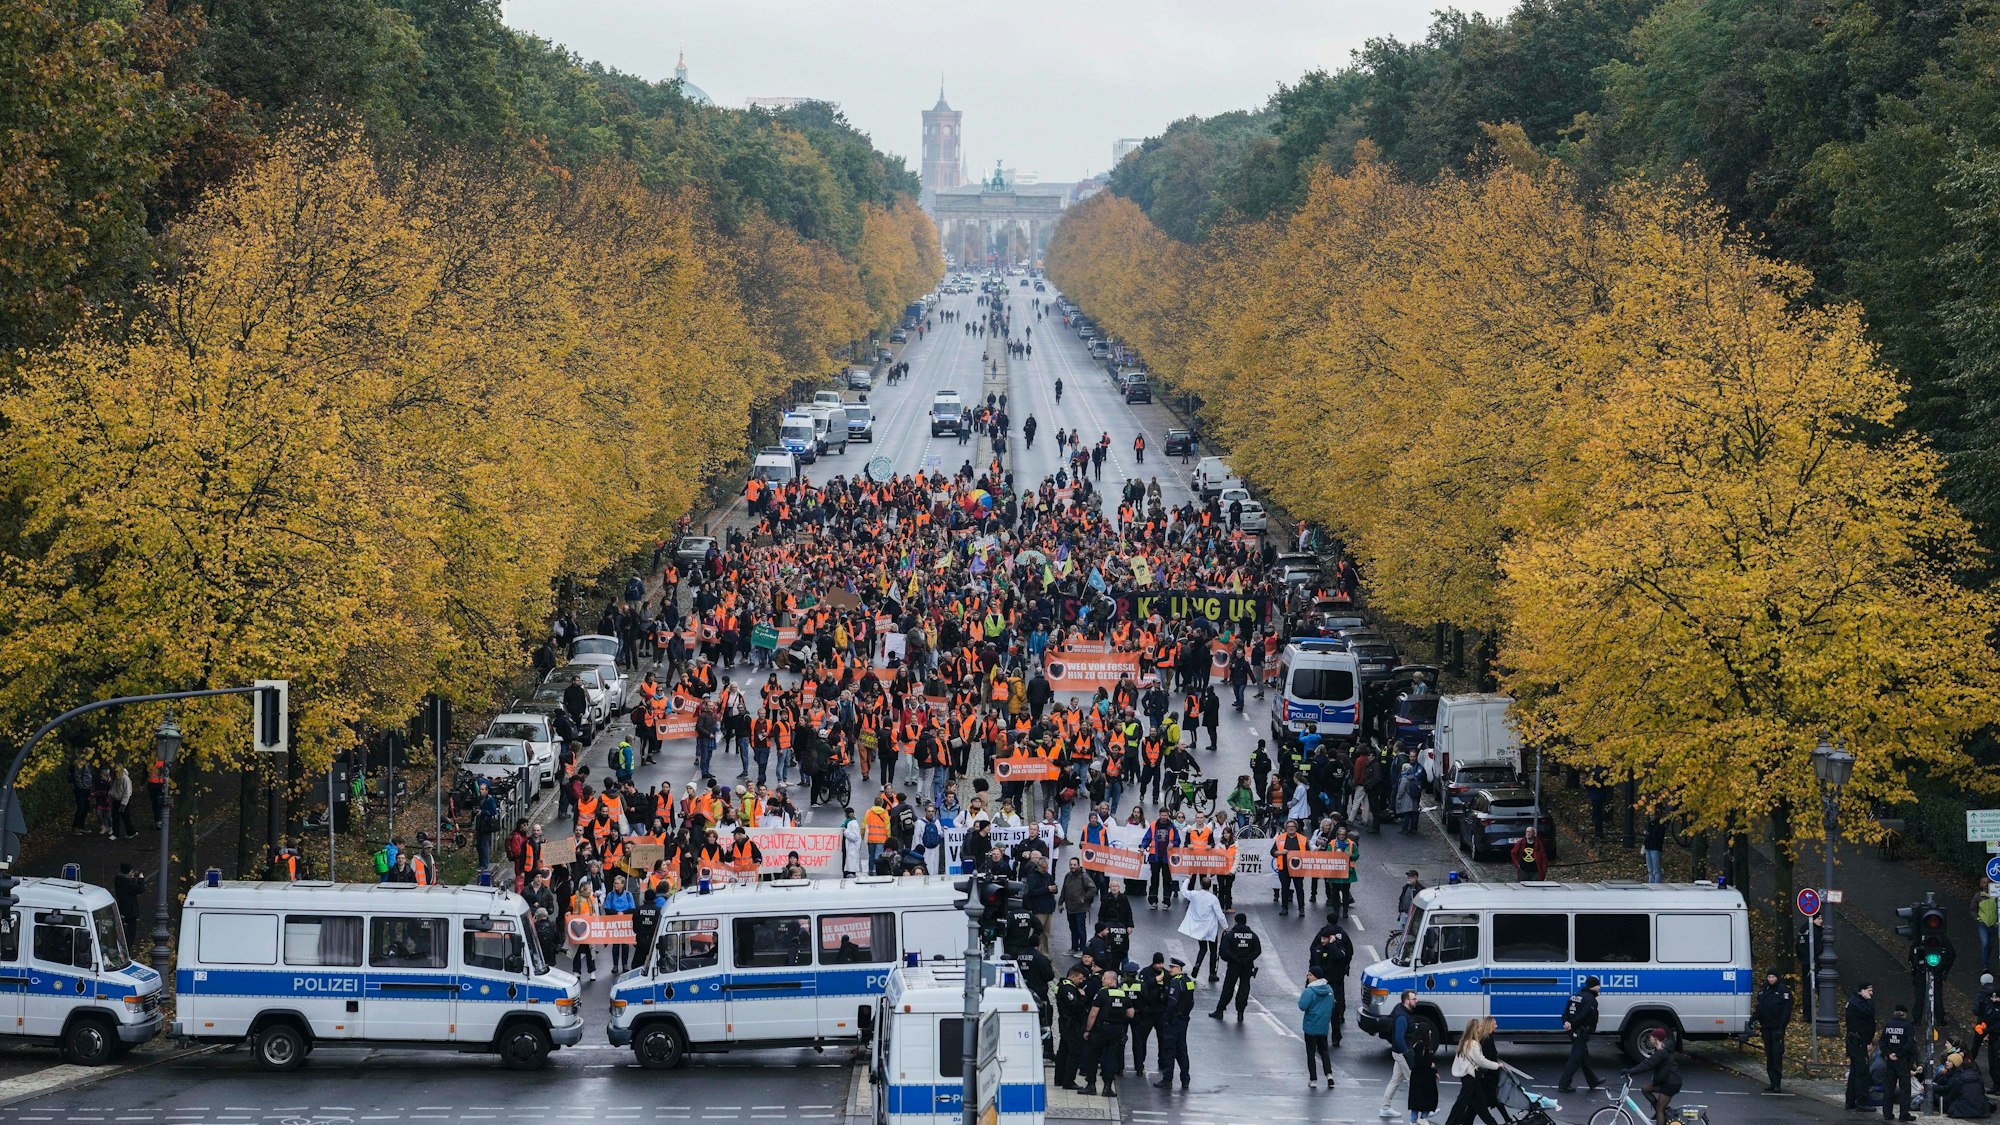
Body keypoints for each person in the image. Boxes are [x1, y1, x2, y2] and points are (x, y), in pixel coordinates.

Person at [1081, 967, 1133, 1096]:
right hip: (1117, 1030)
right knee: (1111, 1058)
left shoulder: (1101, 993)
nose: (1102, 980)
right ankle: (1107, 1088)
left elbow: (1093, 1014)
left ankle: (1091, 1085)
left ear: (1111, 980)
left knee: (1093, 1057)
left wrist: (1088, 1030)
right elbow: (1131, 1013)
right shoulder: (1123, 994)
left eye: (1104, 978)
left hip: (1101, 1029)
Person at [1446, 1018, 1503, 1125]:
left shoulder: (1465, 1043)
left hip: (1469, 1077)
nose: (1481, 1028)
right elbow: (1481, 1061)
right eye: (1479, 1027)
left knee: (1479, 1106)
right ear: (1475, 1029)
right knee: (1462, 1104)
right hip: (1471, 1077)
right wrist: (1497, 1065)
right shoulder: (1473, 1044)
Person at [1620, 1028, 1682, 1125]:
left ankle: (1659, 1113)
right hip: (1666, 1080)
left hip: (1670, 1083)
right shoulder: (1662, 1049)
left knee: (1660, 1110)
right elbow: (1648, 1063)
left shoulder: (1661, 1052)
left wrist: (1630, 1071)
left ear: (1656, 1039)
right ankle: (1659, 1111)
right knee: (1645, 1089)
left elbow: (1647, 1065)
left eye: (1651, 1037)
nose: (1650, 1039)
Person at [1209, 913, 1261, 1021]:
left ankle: (1220, 1010)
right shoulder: (1252, 935)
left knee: (1228, 987)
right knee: (1244, 988)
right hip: (1247, 966)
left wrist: (1235, 958)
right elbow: (1258, 950)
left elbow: (1224, 950)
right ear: (1245, 921)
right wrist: (1247, 959)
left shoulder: (1231, 935)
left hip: (1234, 965)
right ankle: (1240, 1012)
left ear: (1236, 921)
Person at [1555, 974, 1602, 1093]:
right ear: (1594, 986)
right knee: (1575, 1059)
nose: (1599, 988)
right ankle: (1564, 1084)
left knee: (1584, 1058)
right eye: (1598, 985)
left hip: (1573, 1030)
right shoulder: (1590, 999)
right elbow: (1584, 1015)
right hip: (1580, 1031)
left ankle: (1593, 1081)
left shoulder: (1574, 996)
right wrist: (1575, 1025)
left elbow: (1565, 1013)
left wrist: (1566, 1022)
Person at [1153, 956, 1195, 1090]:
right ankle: (1185, 1079)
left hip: (1174, 1021)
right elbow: (1190, 1001)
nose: (1170, 970)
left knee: (1169, 1050)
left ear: (1179, 968)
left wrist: (1166, 1018)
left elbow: (1172, 1002)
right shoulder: (1188, 981)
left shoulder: (1176, 982)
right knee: (1182, 1050)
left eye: (1172, 968)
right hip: (1184, 1019)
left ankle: (1167, 1079)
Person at [1754, 968, 1794, 1093]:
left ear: (1777, 978)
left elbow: (1786, 1012)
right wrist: (1753, 1018)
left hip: (1777, 1028)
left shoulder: (1783, 991)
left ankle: (1777, 1083)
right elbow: (1760, 1007)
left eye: (1773, 977)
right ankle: (1772, 1081)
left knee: (1777, 1055)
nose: (1771, 980)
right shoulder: (1764, 990)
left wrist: (1781, 1028)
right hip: (1766, 1027)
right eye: (1769, 977)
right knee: (1769, 1055)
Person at [1379, 990, 1417, 1120]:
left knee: (1395, 1080)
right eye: (1414, 999)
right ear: (1407, 1001)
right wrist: (1407, 1054)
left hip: (1399, 1052)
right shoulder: (1402, 1017)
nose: (1416, 1001)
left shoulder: (1401, 1011)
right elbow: (1399, 1038)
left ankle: (1385, 1108)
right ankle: (1419, 1112)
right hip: (1402, 1053)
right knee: (1414, 1081)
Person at [1177, 882, 1226, 984]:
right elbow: (1219, 914)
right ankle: (1212, 973)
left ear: (1201, 885)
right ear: (1210, 886)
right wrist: (1226, 927)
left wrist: (1187, 879)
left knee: (1202, 949)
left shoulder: (1195, 895)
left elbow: (1183, 891)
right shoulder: (1213, 898)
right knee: (1213, 951)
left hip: (1200, 929)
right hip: (1211, 928)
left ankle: (1197, 965)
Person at [1299, 969, 1336, 1090]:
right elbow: (1333, 1005)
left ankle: (1313, 1079)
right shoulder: (1329, 990)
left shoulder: (1309, 991)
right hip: (1323, 1026)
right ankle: (1329, 1075)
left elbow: (1302, 1006)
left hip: (1310, 1027)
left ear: (1316, 977)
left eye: (1310, 975)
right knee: (1324, 1051)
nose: (1308, 976)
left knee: (1311, 1053)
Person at [1055, 963, 1090, 1090]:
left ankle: (1059, 1079)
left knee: (1063, 1051)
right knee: (1074, 1052)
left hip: (1066, 1022)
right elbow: (1075, 1006)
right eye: (1080, 979)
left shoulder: (1062, 985)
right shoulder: (1068, 989)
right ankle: (1068, 1081)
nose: (1081, 981)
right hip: (1071, 1024)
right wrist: (1082, 997)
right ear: (1073, 976)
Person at [1881, 1003, 1916, 1122]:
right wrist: (1899, 1054)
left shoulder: (1888, 1025)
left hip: (1890, 1061)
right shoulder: (1907, 1026)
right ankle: (1903, 1114)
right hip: (1903, 1061)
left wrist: (1889, 1054)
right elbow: (1909, 1044)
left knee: (1889, 1087)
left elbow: (1882, 1042)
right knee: (1905, 1089)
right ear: (1905, 1013)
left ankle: (1887, 1113)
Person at [1847, 982, 1878, 1111]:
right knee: (1862, 1072)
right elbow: (1870, 1012)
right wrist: (1869, 1000)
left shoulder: (1855, 1002)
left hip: (1857, 1041)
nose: (1871, 993)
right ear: (1862, 991)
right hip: (1858, 1042)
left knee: (1855, 1071)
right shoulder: (1857, 1003)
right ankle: (1861, 1101)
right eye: (1869, 990)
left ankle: (1850, 1100)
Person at [1060, 856, 1098, 955]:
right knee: (1073, 929)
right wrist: (1060, 903)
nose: (1072, 866)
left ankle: (1082, 950)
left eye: (1074, 865)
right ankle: (1074, 948)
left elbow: (1093, 888)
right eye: (1071, 865)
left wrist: (1084, 899)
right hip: (1070, 908)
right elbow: (1064, 890)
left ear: (1079, 865)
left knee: (1081, 929)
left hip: (1080, 908)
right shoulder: (1068, 876)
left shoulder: (1084, 876)